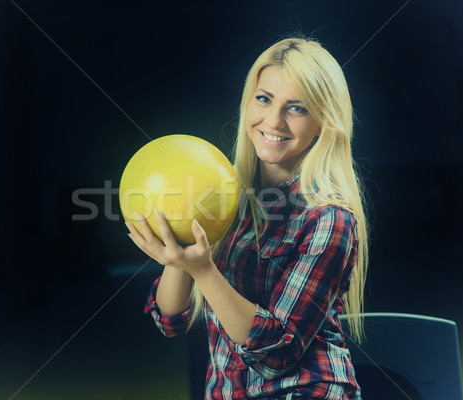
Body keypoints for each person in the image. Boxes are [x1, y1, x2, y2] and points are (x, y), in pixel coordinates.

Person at [126, 36, 369, 400]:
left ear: (323, 122)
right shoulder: (223, 195)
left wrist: (205, 270)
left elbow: (278, 353)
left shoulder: (330, 218)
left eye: (297, 108)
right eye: (265, 99)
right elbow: (171, 320)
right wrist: (179, 255)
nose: (274, 120)